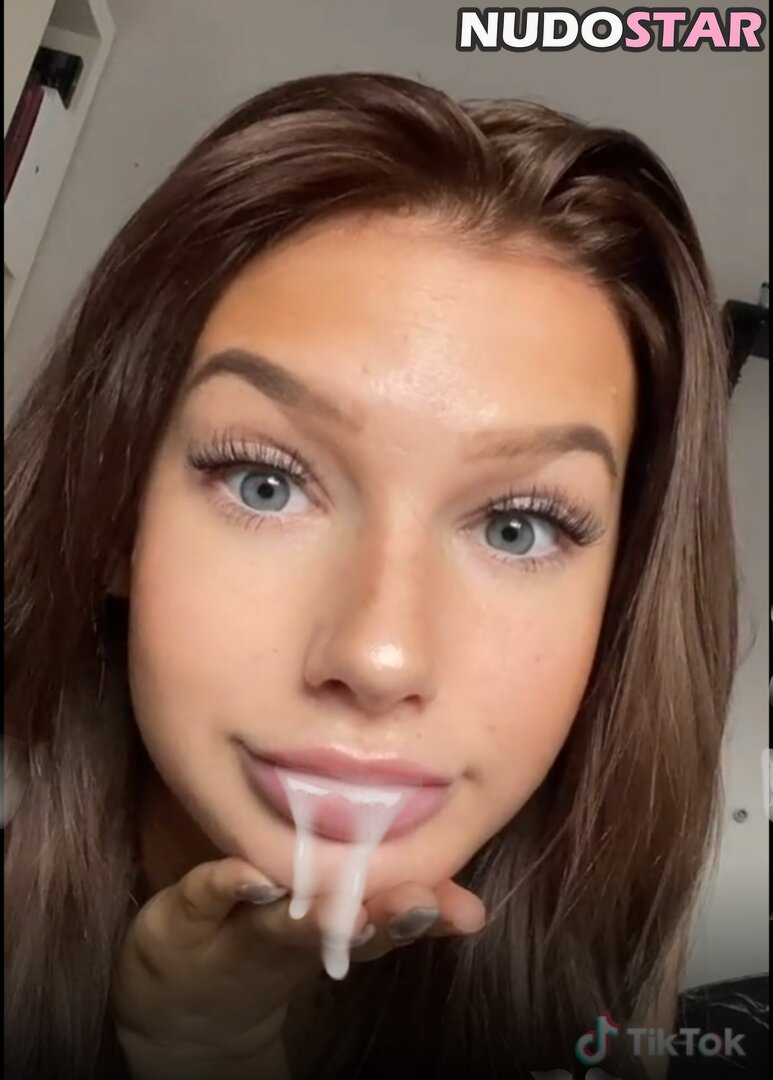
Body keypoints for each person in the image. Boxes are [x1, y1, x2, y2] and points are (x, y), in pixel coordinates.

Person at [3, 72, 739, 1080]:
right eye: (264, 484)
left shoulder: (618, 1021)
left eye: (519, 527)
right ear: (115, 520)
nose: (378, 655)